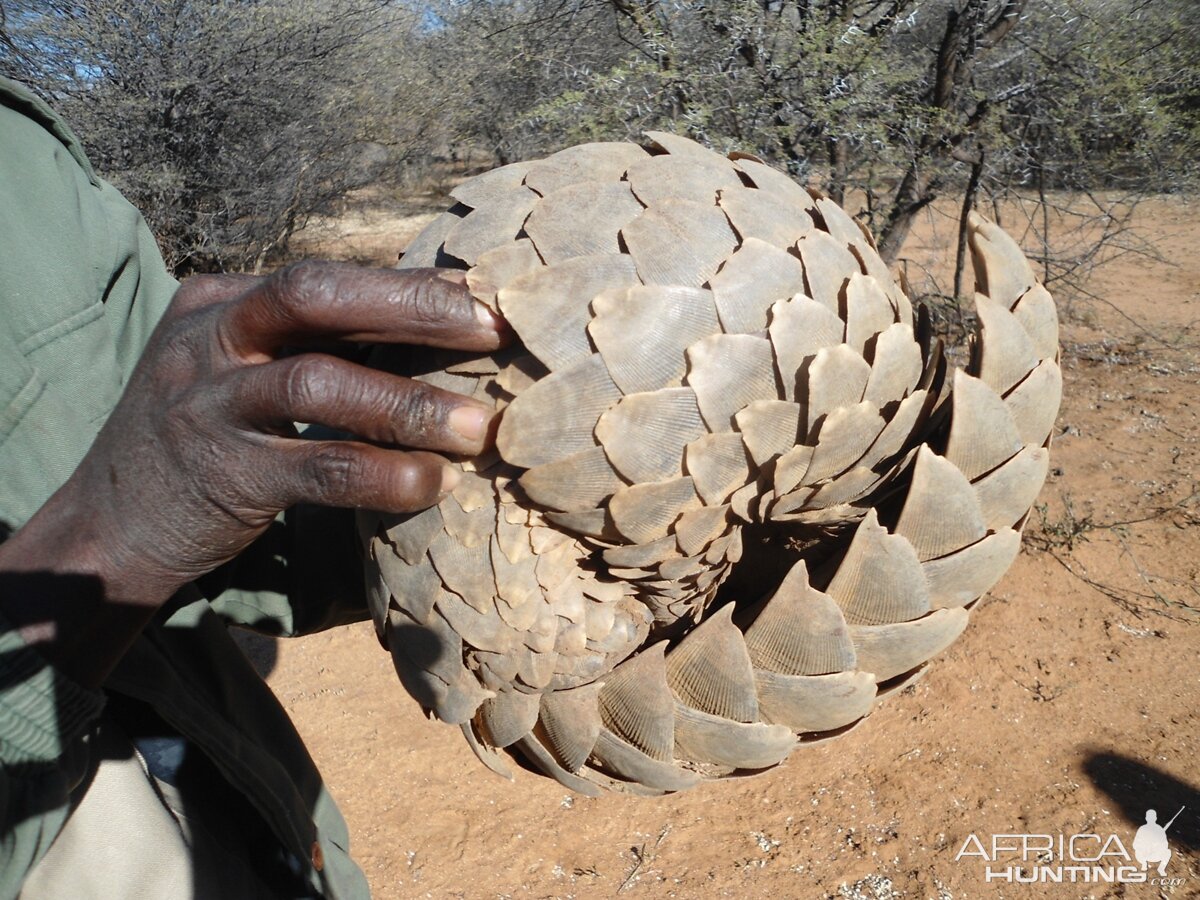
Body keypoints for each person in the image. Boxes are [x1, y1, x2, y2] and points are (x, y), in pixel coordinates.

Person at [0, 75, 506, 898]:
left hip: (256, 828)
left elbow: (218, 513)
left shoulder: (15, 158)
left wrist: (534, 476)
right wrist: (108, 543)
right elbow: (133, 516)